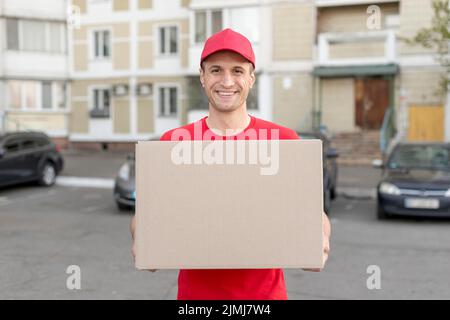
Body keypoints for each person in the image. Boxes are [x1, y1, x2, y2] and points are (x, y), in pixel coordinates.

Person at [131, 28, 331, 300]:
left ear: (251, 78)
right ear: (202, 77)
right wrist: (142, 237)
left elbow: (309, 212)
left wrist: (319, 236)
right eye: (216, 70)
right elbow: (149, 214)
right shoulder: (175, 143)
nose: (226, 81)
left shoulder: (283, 141)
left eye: (237, 71)